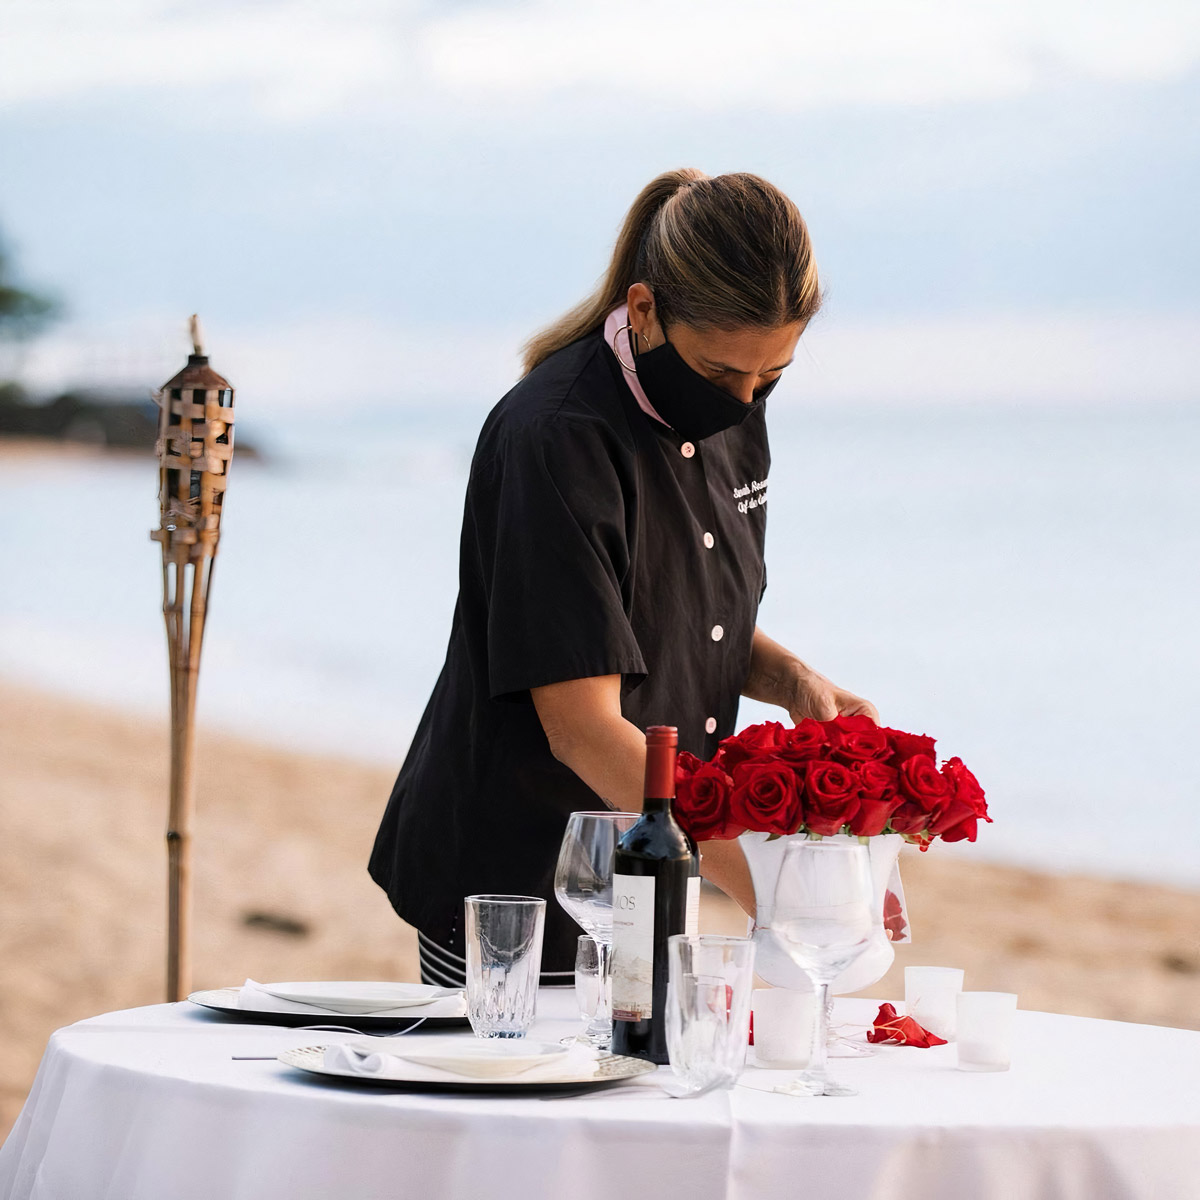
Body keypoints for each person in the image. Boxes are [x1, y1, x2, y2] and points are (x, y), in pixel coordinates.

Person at [369, 168, 878, 988]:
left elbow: (675, 609)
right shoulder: (556, 438)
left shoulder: (729, 410)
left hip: (647, 878)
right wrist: (777, 891)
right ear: (643, 311)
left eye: (771, 376)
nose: (746, 402)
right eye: (723, 375)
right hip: (519, 883)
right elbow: (581, 727)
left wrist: (793, 680)